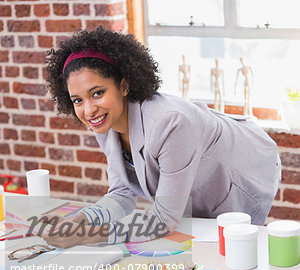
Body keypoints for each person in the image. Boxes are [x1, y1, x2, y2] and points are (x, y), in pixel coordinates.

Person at [41, 26, 280, 248]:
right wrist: (79, 220)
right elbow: (122, 193)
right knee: (195, 239)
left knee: (232, 248)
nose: (89, 109)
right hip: (199, 179)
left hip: (244, 171)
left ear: (124, 86)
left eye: (97, 93)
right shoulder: (105, 122)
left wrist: (86, 236)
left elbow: (164, 218)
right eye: (78, 100)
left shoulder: (171, 122)